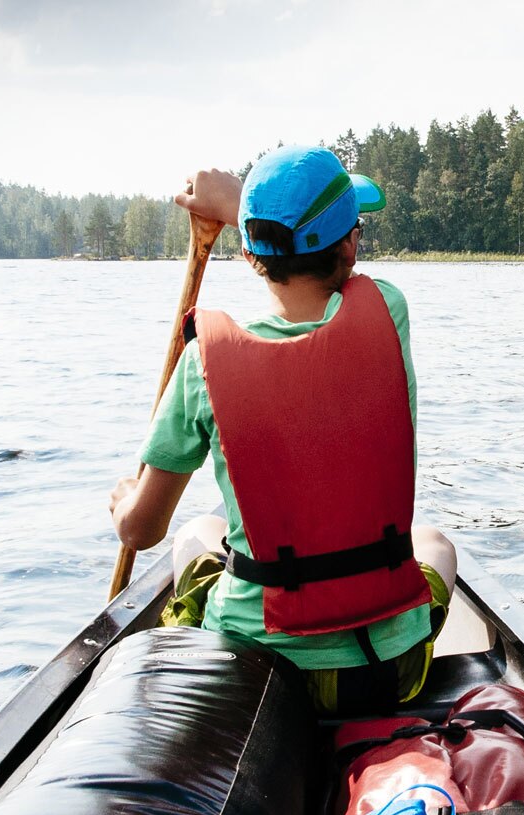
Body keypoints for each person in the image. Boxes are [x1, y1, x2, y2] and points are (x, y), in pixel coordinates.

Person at [107, 145, 456, 716]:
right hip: (384, 672)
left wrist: (124, 503)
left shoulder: (203, 365)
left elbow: (141, 531)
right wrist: (238, 202)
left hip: (259, 674)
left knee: (198, 532)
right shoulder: (389, 312)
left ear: (249, 256)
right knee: (435, 545)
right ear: (350, 244)